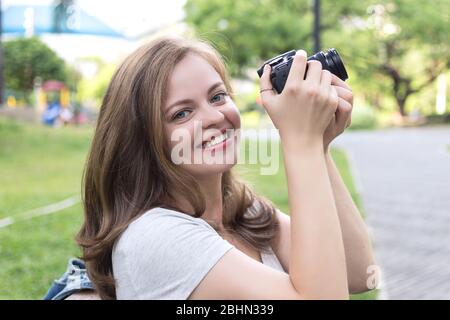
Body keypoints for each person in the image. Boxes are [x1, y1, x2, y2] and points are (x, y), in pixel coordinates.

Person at [44, 35, 376, 300]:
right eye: (181, 113)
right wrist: (300, 143)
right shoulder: (155, 237)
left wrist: (318, 146)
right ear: (142, 143)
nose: (215, 117)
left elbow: (359, 273)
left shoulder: (246, 214)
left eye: (217, 97)